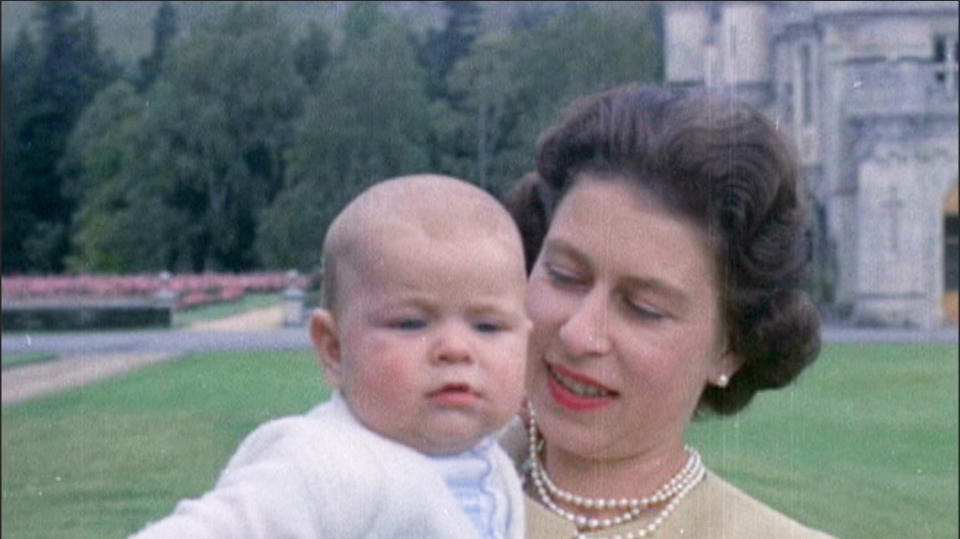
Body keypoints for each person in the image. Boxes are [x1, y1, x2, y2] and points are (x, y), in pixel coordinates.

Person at [500, 84, 832, 538]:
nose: (579, 334)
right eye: (564, 275)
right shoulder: (413, 485)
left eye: (643, 308)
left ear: (730, 349)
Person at [132, 174, 531, 539]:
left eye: (489, 327)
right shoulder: (321, 464)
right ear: (334, 349)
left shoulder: (495, 464)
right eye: (411, 323)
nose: (456, 350)